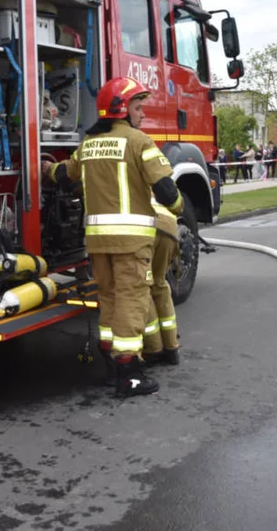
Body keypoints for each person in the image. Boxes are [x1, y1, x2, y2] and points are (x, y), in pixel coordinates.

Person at [42, 77, 185, 397]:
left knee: (107, 299)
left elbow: (64, 174)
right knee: (133, 302)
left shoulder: (89, 145)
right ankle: (129, 375)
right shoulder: (139, 142)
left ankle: (110, 366)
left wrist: (45, 169)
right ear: (121, 109)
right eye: (138, 106)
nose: (143, 114)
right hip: (131, 242)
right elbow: (166, 192)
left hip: (97, 243)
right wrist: (179, 208)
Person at [141, 198, 181, 365]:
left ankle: (153, 348)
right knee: (159, 283)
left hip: (146, 228)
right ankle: (172, 348)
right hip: (170, 227)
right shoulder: (145, 174)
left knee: (144, 287)